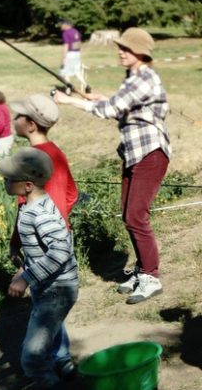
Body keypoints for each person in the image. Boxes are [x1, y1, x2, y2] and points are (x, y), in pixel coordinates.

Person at [54, 27, 170, 304]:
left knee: (135, 217)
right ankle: (142, 271)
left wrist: (70, 100)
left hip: (150, 153)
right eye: (120, 47)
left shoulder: (144, 78)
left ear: (140, 53)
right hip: (134, 152)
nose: (120, 51)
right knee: (128, 216)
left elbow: (111, 111)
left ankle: (151, 276)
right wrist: (103, 97)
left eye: (126, 49)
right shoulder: (134, 77)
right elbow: (121, 105)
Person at [0, 148, 79, 387]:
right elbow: (43, 251)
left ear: (27, 185)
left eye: (9, 179)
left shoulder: (41, 214)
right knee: (45, 341)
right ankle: (59, 373)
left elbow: (60, 251)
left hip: (57, 291)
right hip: (47, 289)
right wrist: (23, 268)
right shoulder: (30, 207)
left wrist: (26, 277)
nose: (4, 182)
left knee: (32, 357)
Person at [9, 94, 79, 225]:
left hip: (37, 236)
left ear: (31, 126)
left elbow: (24, 206)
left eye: (19, 116)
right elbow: (72, 194)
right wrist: (59, 216)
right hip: (60, 233)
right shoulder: (58, 153)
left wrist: (15, 242)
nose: (14, 119)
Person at [59, 19, 88, 92]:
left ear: (66, 25)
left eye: (62, 25)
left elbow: (66, 45)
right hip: (77, 53)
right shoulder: (76, 32)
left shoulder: (66, 33)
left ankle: (68, 90)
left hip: (70, 54)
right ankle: (86, 85)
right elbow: (79, 43)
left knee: (65, 72)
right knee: (77, 72)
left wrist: (63, 58)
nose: (61, 26)